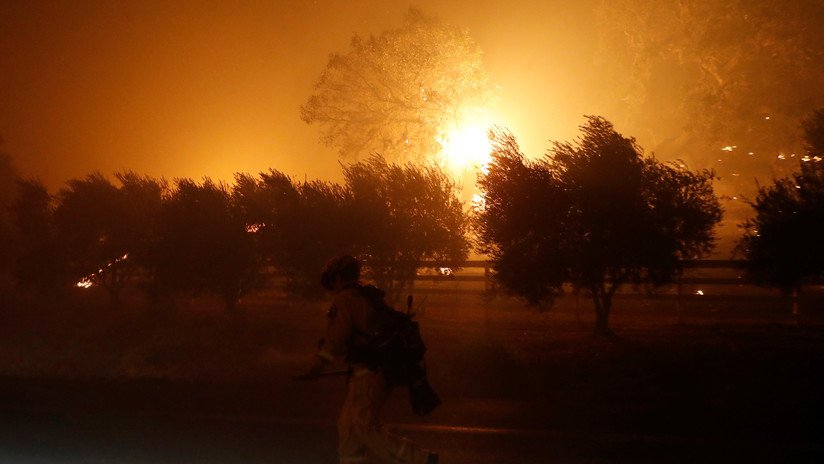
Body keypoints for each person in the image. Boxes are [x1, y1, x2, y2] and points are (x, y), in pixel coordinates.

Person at [305, 255, 439, 464]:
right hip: (373, 372)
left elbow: (337, 339)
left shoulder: (345, 299)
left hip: (368, 374)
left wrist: (319, 363)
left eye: (333, 280)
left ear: (338, 278)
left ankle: (421, 460)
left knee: (364, 427)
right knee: (348, 429)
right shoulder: (367, 296)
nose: (332, 285)